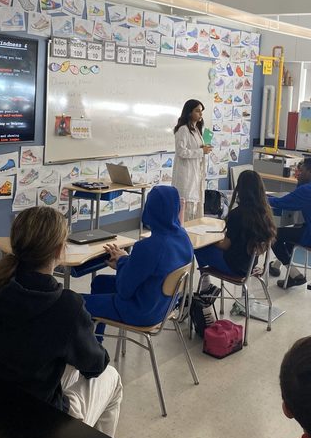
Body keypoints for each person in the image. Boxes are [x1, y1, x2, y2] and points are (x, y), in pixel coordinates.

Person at [0, 206, 123, 436]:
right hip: (35, 424)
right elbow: (95, 366)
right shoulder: (67, 306)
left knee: (64, 365)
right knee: (111, 377)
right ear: (59, 250)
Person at [83, 185, 194, 330]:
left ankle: (89, 349)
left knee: (74, 303)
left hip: (141, 312)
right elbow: (155, 267)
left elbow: (124, 290)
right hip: (164, 306)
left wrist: (122, 261)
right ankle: (95, 342)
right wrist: (127, 261)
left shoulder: (148, 247)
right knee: (100, 282)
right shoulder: (183, 237)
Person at [194, 169, 276, 287]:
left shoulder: (237, 214)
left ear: (240, 189)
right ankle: (206, 286)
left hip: (234, 267)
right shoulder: (265, 213)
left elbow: (225, 245)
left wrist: (209, 240)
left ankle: (205, 286)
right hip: (249, 265)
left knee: (199, 249)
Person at [267, 156, 311, 288]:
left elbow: (281, 203)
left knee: (273, 234)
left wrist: (260, 198)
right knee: (294, 229)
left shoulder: (307, 190)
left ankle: (295, 275)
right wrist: (300, 182)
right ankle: (277, 266)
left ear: (310, 172)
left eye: (302, 171)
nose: (298, 173)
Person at [171, 99, 212, 221]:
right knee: (186, 208)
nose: (200, 114)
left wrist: (204, 149)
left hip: (196, 174)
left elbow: (194, 149)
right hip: (186, 175)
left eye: (201, 111)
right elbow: (181, 151)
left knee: (195, 208)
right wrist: (201, 151)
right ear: (189, 112)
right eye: (197, 111)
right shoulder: (183, 129)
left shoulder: (196, 130)